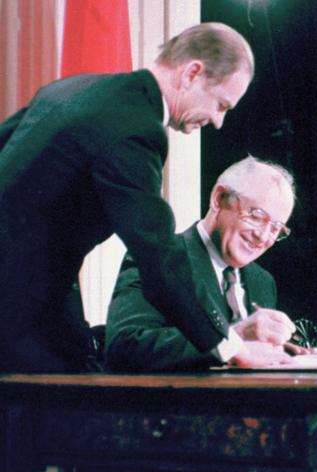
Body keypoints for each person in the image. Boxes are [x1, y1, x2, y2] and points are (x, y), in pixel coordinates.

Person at [0, 23, 262, 372]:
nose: (218, 121)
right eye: (221, 104)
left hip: (34, 299)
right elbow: (156, 252)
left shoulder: (70, 89)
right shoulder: (137, 128)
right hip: (19, 308)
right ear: (192, 72)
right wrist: (229, 347)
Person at [105, 157, 307, 372]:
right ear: (219, 198)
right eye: (256, 216)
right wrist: (235, 338)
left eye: (276, 228)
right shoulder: (158, 257)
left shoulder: (262, 281)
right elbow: (124, 348)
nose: (263, 236)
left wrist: (281, 353)